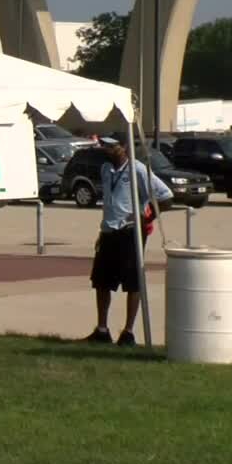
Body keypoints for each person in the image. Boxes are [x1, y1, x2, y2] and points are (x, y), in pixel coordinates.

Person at [86, 135, 173, 347]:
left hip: (130, 232)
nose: (109, 150)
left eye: (113, 146)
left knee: (132, 282)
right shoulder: (106, 169)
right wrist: (102, 230)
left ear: (124, 147)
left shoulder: (138, 169)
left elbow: (165, 196)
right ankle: (102, 329)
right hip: (109, 231)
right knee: (102, 281)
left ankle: (128, 331)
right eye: (106, 146)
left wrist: (145, 217)